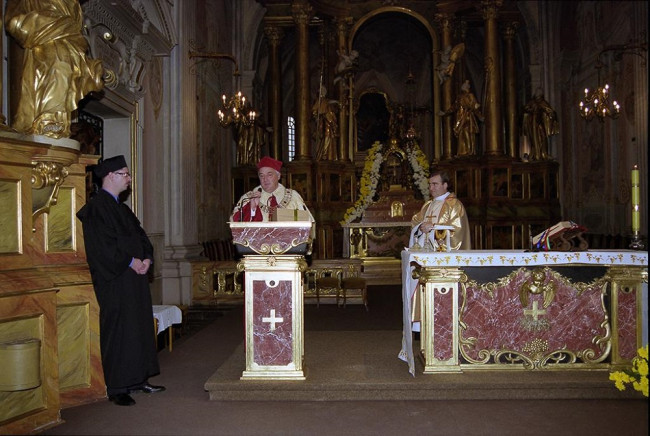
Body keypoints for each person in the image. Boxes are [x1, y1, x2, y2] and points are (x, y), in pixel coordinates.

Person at [76, 155, 164, 407]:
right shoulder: (95, 209)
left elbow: (141, 236)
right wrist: (130, 261)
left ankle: (138, 379)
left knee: (137, 327)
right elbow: (101, 248)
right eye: (125, 174)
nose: (128, 178)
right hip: (114, 280)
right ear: (110, 176)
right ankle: (117, 386)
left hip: (134, 280)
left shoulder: (122, 208)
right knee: (119, 330)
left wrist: (147, 257)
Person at [5, 0, 103, 139]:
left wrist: (92, 72)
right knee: (51, 86)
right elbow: (15, 23)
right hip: (44, 62)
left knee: (61, 87)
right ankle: (46, 123)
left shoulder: (73, 5)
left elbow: (77, 47)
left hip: (67, 63)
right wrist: (58, 25)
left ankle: (56, 124)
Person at [231, 156, 314, 223]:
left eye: (269, 175)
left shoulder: (293, 197)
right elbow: (235, 222)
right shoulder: (248, 198)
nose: (265, 179)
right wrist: (252, 208)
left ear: (278, 176)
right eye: (262, 176)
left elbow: (308, 222)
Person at [410, 170, 471, 251]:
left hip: (443, 254)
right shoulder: (428, 205)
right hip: (425, 252)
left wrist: (433, 228)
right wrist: (421, 227)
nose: (431, 188)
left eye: (435, 184)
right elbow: (415, 222)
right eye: (430, 184)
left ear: (445, 185)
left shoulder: (454, 205)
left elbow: (457, 232)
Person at [439, 80, 483, 156]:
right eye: (463, 84)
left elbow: (475, 107)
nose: (464, 86)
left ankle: (470, 152)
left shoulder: (471, 96)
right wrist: (445, 113)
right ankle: (462, 152)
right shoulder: (459, 97)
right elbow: (454, 107)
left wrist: (479, 116)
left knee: (468, 134)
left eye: (466, 84)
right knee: (461, 135)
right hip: (460, 118)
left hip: (468, 118)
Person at [522, 87, 559, 161]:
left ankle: (543, 154)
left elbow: (550, 111)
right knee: (534, 140)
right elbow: (525, 109)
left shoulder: (543, 102)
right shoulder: (532, 102)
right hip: (532, 124)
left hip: (539, 124)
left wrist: (551, 115)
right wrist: (531, 110)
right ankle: (536, 154)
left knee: (542, 138)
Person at [312, 86, 339, 161]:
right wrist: (317, 116)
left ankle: (328, 154)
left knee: (330, 137)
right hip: (322, 122)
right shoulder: (319, 101)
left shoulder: (327, 101)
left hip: (329, 122)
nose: (322, 93)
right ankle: (323, 153)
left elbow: (330, 110)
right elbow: (314, 111)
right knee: (323, 137)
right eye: (321, 91)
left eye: (323, 91)